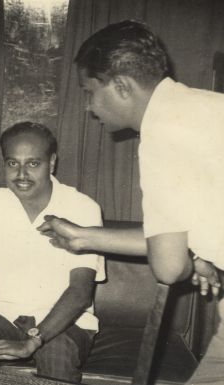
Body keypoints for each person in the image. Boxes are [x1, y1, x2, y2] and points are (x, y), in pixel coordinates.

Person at [37, 20, 224, 383]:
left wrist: (187, 261)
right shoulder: (207, 106)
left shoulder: (163, 132)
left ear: (122, 86)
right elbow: (176, 236)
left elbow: (168, 266)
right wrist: (83, 237)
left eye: (90, 91)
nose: (89, 107)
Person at [0, 122, 105, 384]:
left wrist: (33, 339)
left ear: (52, 163)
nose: (21, 174)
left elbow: (80, 293)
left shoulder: (83, 207)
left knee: (56, 350)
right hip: (5, 317)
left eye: (33, 164)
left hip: (66, 323)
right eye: (13, 163)